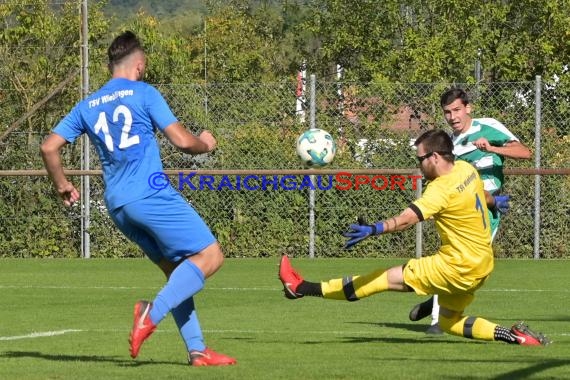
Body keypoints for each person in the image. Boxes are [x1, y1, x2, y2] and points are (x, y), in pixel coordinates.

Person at [40, 31, 236, 366]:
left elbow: (48, 147)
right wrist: (206, 143)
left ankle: (198, 351)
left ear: (110, 66)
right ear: (139, 66)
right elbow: (182, 142)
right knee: (211, 256)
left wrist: (62, 184)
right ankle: (150, 313)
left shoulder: (87, 106)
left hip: (118, 206)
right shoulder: (145, 93)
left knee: (178, 273)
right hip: (150, 193)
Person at [278, 129, 549, 346]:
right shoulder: (467, 169)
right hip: (482, 265)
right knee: (449, 322)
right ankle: (514, 336)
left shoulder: (439, 190)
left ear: (434, 157)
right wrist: (493, 203)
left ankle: (301, 288)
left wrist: (374, 229)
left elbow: (408, 219)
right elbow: (485, 195)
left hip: (457, 266)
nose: (418, 165)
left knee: (381, 278)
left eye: (420, 159)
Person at [409, 88, 532, 334]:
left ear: (468, 108)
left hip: (487, 208)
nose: (453, 116)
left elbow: (525, 152)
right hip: (459, 209)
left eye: (457, 110)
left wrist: (492, 149)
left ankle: (434, 304)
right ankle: (437, 317)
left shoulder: (487, 127)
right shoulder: (446, 145)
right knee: (459, 261)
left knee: (467, 262)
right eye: (447, 112)